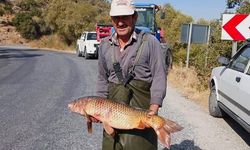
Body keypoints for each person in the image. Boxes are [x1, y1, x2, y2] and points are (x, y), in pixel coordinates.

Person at [96, 0, 167, 149]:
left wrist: (153, 112)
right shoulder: (104, 45)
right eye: (116, 18)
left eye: (125, 17)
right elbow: (102, 79)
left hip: (141, 120)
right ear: (111, 20)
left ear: (134, 17)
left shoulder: (150, 42)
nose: (120, 23)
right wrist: (99, 111)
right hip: (112, 118)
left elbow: (159, 77)